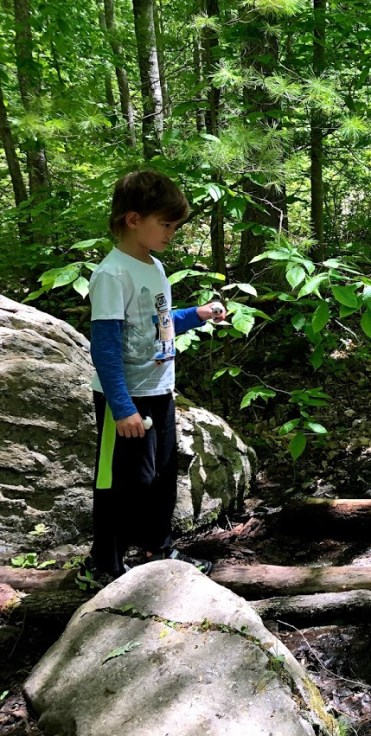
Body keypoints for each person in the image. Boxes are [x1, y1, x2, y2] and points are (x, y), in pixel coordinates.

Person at [76, 169, 226, 590]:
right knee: (120, 483)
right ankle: (102, 563)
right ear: (133, 219)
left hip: (159, 390)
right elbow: (105, 346)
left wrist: (196, 315)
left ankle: (158, 550)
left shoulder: (154, 266)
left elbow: (157, 322)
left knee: (160, 477)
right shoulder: (112, 274)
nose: (172, 234)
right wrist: (122, 407)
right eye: (166, 224)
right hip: (125, 399)